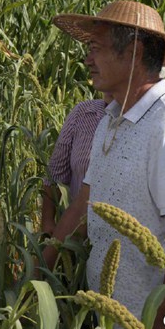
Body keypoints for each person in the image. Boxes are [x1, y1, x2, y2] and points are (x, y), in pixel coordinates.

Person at [44, 1, 165, 329]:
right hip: (105, 320)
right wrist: (39, 269)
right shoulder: (110, 119)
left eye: (96, 48)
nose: (87, 59)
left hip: (143, 327)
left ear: (133, 52)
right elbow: (83, 206)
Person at [40, 92, 112, 236]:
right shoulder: (83, 113)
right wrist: (47, 221)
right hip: (74, 236)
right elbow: (54, 175)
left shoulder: (150, 121)